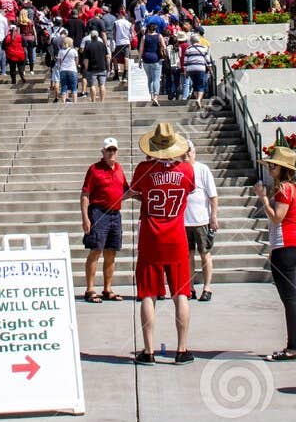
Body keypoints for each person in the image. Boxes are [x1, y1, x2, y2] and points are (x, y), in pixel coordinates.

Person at [128, 123, 196, 364]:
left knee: (147, 294)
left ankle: (148, 351)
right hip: (176, 235)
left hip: (151, 234)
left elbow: (135, 191)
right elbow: (188, 190)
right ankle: (182, 349)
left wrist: (142, 196)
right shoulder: (187, 170)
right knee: (181, 294)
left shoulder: (144, 169)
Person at [256, 144, 296, 363]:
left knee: (290, 300)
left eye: (273, 165)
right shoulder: (294, 188)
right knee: (295, 298)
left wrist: (263, 198)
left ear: (282, 168)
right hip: (295, 246)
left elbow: (277, 217)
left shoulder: (283, 189)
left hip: (285, 247)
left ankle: (291, 348)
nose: (269, 168)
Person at [80, 137, 129, 302]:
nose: (111, 153)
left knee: (111, 252)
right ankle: (90, 289)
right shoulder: (94, 169)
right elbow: (85, 195)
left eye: (114, 150)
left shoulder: (119, 168)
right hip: (98, 213)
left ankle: (107, 289)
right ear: (103, 152)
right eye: (109, 150)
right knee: (96, 250)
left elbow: (126, 191)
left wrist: (145, 198)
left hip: (115, 214)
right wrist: (85, 218)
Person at [182, 142, 219, 301]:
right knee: (188, 255)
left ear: (194, 152)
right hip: (183, 221)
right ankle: (190, 287)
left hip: (201, 220)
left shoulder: (202, 169)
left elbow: (213, 196)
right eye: (183, 152)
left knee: (205, 253)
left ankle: (207, 287)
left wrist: (213, 217)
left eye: (188, 151)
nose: (186, 155)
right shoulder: (179, 170)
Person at [181, 31, 210, 109]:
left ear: (191, 41)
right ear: (199, 40)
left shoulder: (188, 49)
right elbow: (207, 60)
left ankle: (198, 99)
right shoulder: (204, 48)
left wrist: (185, 71)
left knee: (195, 84)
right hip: (200, 68)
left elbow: (185, 61)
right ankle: (199, 99)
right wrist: (210, 68)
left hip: (191, 69)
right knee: (201, 84)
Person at [80, 27, 110, 103]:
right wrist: (108, 66)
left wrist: (86, 69)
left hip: (92, 68)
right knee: (102, 84)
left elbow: (86, 60)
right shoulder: (103, 45)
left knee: (93, 85)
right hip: (102, 67)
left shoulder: (88, 46)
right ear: (97, 36)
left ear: (91, 37)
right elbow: (107, 57)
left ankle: (93, 101)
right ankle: (102, 101)